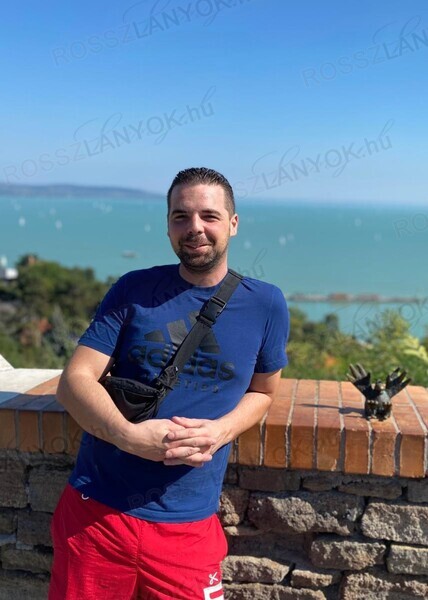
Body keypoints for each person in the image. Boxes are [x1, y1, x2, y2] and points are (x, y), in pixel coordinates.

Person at [49, 167, 289, 600]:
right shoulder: (134, 289)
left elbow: (264, 392)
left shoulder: (266, 303)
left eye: (209, 216)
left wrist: (221, 431)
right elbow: (74, 381)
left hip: (189, 523)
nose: (194, 227)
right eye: (181, 216)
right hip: (97, 514)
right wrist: (129, 437)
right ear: (168, 226)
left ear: (233, 223)